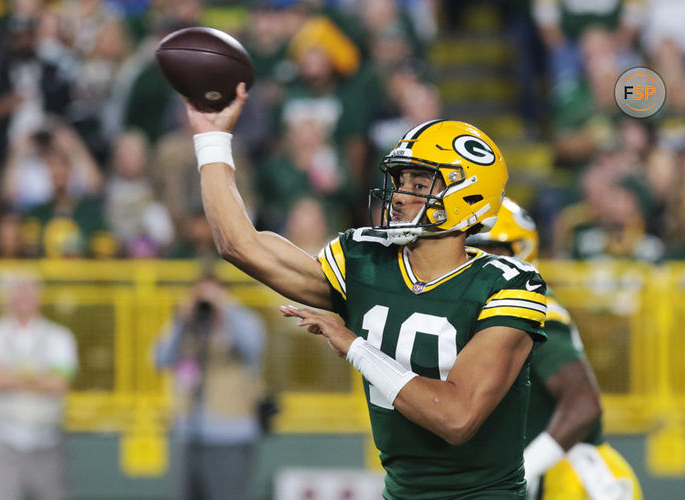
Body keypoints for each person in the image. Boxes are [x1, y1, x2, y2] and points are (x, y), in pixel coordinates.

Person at [185, 83, 549, 498]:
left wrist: (356, 347)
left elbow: (456, 417)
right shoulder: (367, 260)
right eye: (400, 179)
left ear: (467, 191)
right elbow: (240, 244)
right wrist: (211, 139)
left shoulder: (507, 283)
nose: (399, 195)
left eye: (419, 182)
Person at [467, 198, 643, 500]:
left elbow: (583, 405)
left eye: (490, 251)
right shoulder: (473, 308)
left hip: (571, 476)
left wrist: (524, 469)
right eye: (470, 250)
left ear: (520, 251)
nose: (477, 261)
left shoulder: (534, 308)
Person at [155, 273, 266, 500]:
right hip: (190, 432)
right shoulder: (188, 326)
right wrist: (180, 321)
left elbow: (252, 347)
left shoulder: (243, 321)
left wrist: (225, 309)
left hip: (231, 432)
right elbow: (161, 359)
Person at [0, 270, 78, 500]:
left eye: (29, 291)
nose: (23, 298)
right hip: (3, 439)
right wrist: (38, 379)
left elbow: (59, 382)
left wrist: (8, 377)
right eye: (17, 291)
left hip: (48, 439)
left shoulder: (59, 336)